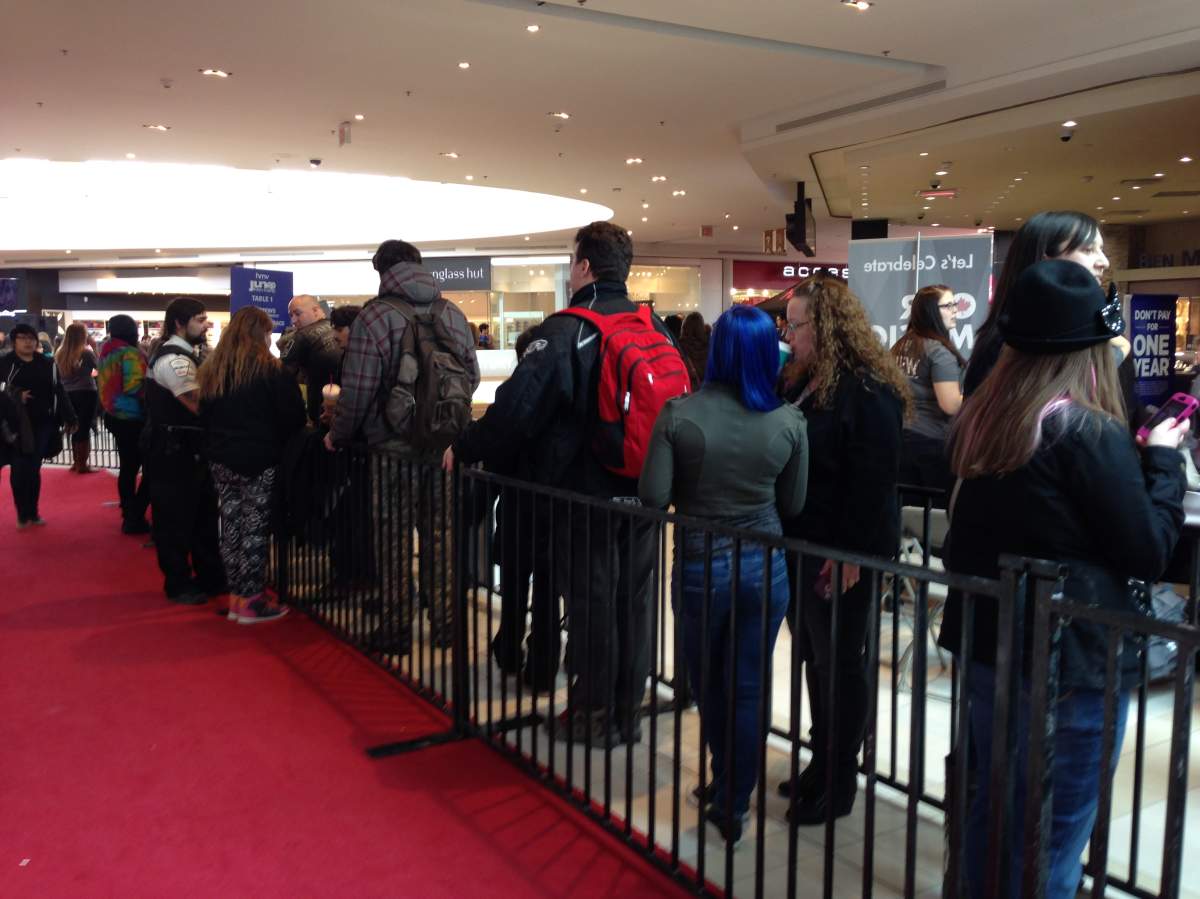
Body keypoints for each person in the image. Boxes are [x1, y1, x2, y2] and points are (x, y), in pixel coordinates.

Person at [939, 259, 1187, 898]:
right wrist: (1162, 463)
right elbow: (1148, 550)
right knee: (1051, 833)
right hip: (1070, 662)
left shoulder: (985, 421)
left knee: (990, 814)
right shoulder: (1084, 430)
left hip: (993, 644)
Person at [446, 221, 686, 745]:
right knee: (635, 602)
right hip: (645, 494)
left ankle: (593, 715)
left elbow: (515, 413)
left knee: (593, 603)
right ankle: (626, 711)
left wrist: (463, 446)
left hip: (584, 495)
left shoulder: (566, 331)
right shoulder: (658, 328)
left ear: (582, 266)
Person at [640, 304, 809, 845]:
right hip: (766, 563)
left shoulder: (678, 415)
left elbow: (653, 496)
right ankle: (735, 793)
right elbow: (795, 502)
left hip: (699, 561)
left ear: (716, 351)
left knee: (709, 679)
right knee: (749, 680)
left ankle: (726, 785)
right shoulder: (789, 421)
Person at [775, 272, 909, 824]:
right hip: (806, 543)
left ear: (824, 328)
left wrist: (848, 553)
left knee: (840, 663)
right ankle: (822, 757)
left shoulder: (867, 391)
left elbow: (872, 482)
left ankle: (840, 777)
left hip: (843, 552)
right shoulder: (808, 381)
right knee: (813, 656)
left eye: (797, 324)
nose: (789, 333)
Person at [327, 239, 479, 650]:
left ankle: (396, 628)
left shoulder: (374, 317)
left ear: (381, 271)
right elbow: (471, 376)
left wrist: (337, 435)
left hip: (391, 447)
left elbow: (358, 390)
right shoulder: (452, 312)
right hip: (441, 446)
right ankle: (447, 626)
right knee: (441, 534)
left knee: (392, 538)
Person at [199, 307, 306, 623]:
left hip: (221, 458)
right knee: (255, 529)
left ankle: (235, 596)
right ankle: (251, 599)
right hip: (259, 459)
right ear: (262, 334)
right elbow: (293, 418)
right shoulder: (271, 371)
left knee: (230, 526)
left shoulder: (213, 371)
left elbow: (204, 415)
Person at [143, 297, 225, 606]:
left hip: (187, 449)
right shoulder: (174, 359)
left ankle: (209, 576)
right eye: (199, 319)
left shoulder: (184, 355)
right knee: (176, 520)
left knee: (201, 515)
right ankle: (178, 583)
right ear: (180, 322)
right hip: (173, 451)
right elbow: (196, 404)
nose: (205, 324)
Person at [0, 323, 78, 527]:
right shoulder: (5, 362)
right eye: (22, 338)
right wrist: (15, 395)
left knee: (33, 468)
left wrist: (70, 417)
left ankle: (32, 512)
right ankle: (22, 513)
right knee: (19, 469)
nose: (28, 342)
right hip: (14, 423)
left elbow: (58, 390)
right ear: (14, 340)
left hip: (43, 421)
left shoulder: (47, 363)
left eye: (31, 338)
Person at [890, 284, 966, 495]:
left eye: (955, 304)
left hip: (899, 439)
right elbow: (950, 405)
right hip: (930, 447)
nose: (955, 310)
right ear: (931, 311)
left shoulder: (901, 344)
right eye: (948, 305)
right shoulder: (939, 352)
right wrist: (979, 397)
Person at [97, 315, 151, 534]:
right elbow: (135, 387)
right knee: (148, 468)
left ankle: (128, 508)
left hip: (112, 414)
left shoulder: (106, 351)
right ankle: (133, 515)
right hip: (133, 417)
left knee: (127, 467)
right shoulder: (130, 353)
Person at [283, 294, 342, 425]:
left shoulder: (301, 336)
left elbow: (281, 374)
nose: (293, 320)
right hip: (346, 408)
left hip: (322, 412)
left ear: (316, 310)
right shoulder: (337, 329)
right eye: (291, 315)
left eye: (297, 314)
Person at [55, 322, 100, 474]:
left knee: (74, 426)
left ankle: (76, 462)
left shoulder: (59, 353)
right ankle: (83, 464)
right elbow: (97, 370)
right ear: (82, 336)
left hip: (67, 393)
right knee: (84, 428)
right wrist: (95, 348)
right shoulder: (86, 353)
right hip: (86, 392)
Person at [679, 311, 709, 387]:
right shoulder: (710, 345)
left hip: (691, 392)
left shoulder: (681, 348)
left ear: (684, 327)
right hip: (709, 390)